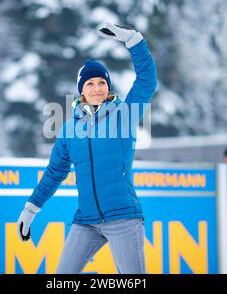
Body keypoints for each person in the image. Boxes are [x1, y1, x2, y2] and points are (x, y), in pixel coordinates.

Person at [16, 22, 157, 274]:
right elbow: (55, 172)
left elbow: (147, 79)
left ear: (108, 87)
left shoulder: (124, 115)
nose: (97, 88)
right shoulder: (70, 129)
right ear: (81, 90)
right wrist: (31, 208)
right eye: (89, 83)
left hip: (124, 217)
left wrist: (133, 40)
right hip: (86, 221)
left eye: (101, 83)